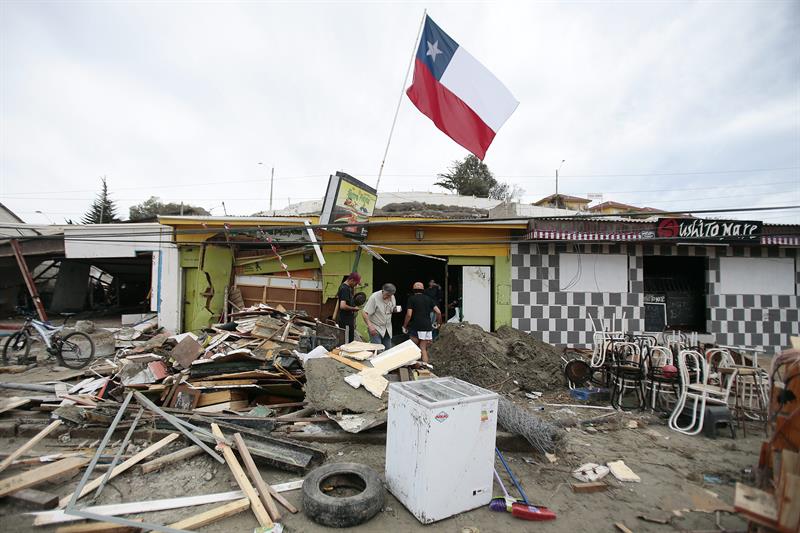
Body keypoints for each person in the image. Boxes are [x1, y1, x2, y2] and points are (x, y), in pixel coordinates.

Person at [403, 281, 442, 364]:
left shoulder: (411, 299)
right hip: (427, 327)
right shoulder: (429, 299)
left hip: (416, 326)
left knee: (412, 348)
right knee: (423, 349)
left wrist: (405, 325)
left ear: (413, 290)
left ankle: (411, 367)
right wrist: (438, 323)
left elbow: (409, 314)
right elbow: (438, 312)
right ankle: (425, 368)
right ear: (423, 290)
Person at [362, 283, 397, 350]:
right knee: (378, 350)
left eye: (390, 295)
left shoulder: (392, 297)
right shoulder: (374, 297)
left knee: (388, 350)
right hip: (375, 327)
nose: (388, 297)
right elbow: (364, 312)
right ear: (383, 291)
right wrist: (370, 326)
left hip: (387, 328)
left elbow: (391, 308)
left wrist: (394, 309)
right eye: (387, 295)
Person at [336, 272, 361, 343]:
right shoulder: (345, 289)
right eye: (355, 283)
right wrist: (354, 309)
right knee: (347, 342)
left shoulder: (347, 288)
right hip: (345, 321)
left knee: (349, 341)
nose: (356, 285)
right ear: (351, 280)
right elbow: (342, 306)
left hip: (347, 320)